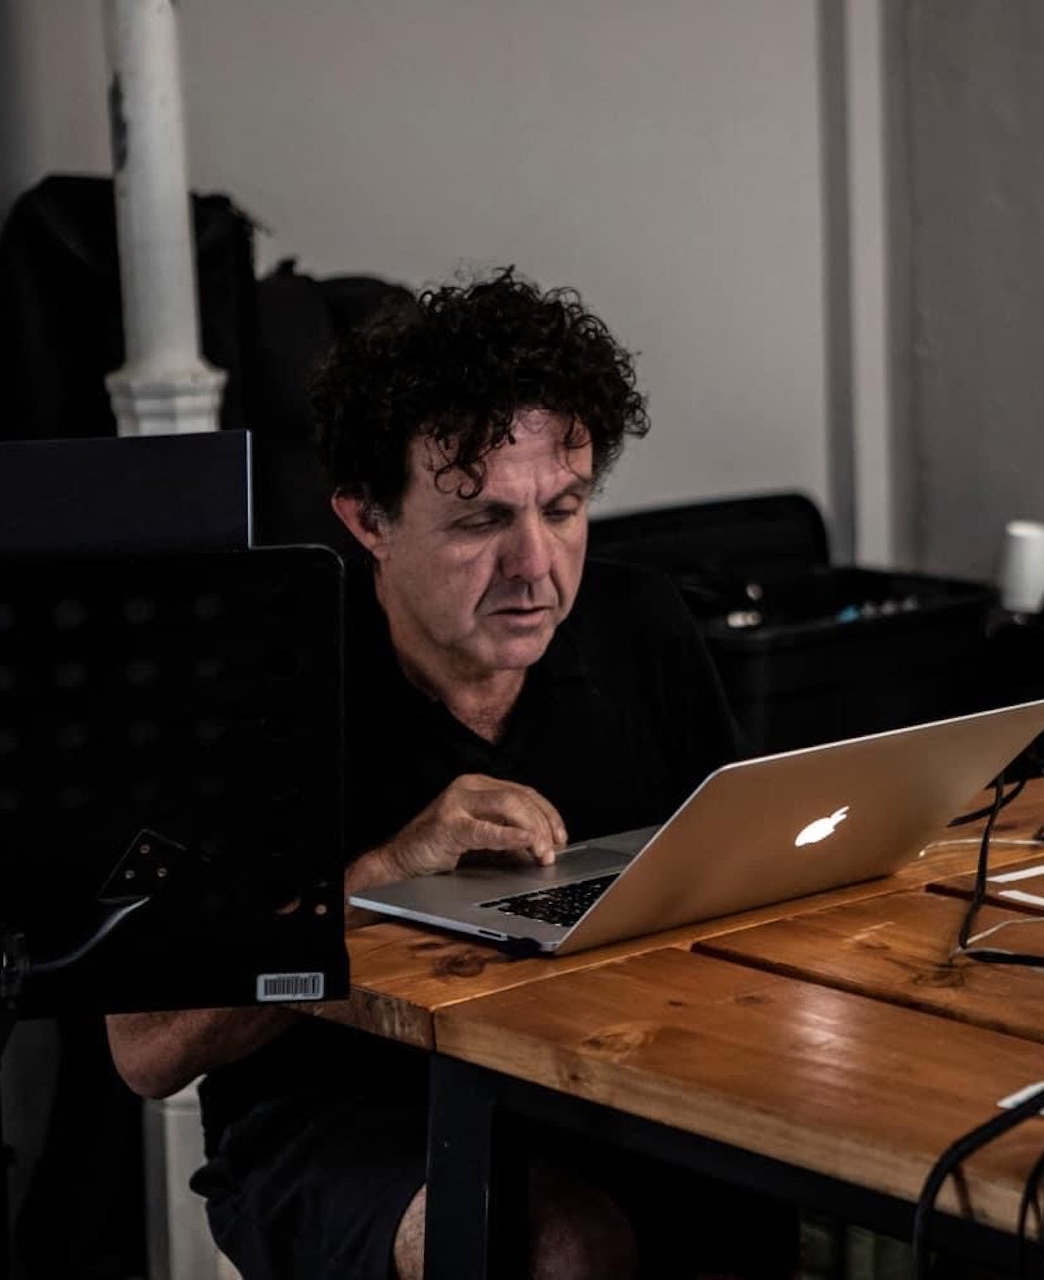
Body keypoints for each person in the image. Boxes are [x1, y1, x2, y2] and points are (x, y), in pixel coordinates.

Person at [106, 269, 791, 1279]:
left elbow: (743, 888)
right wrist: (382, 876)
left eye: (564, 508)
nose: (536, 565)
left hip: (601, 1075)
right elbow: (146, 1049)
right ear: (367, 521)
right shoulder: (257, 683)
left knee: (778, 1201)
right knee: (553, 1243)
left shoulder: (640, 623)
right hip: (339, 1119)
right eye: (479, 522)